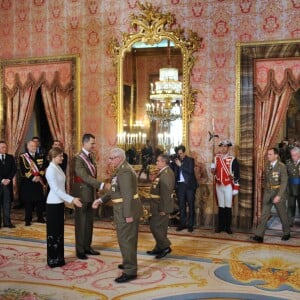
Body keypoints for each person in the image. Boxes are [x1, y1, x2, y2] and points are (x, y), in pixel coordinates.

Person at [93, 148, 142, 283]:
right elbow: (114, 190)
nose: (110, 161)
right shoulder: (121, 169)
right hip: (121, 211)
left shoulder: (125, 171)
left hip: (126, 211)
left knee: (127, 240)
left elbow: (127, 195)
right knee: (124, 239)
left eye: (111, 158)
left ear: (119, 158)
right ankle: (128, 262)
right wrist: (100, 200)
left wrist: (128, 215)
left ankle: (130, 270)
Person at [46, 147, 82, 268]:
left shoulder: (58, 167)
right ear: (53, 156)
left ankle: (59, 258)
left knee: (59, 232)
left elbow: (61, 188)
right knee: (54, 233)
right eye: (60, 156)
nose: (62, 158)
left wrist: (67, 200)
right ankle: (53, 259)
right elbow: (55, 190)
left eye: (62, 156)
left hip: (59, 202)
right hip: (53, 204)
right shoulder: (50, 170)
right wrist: (72, 199)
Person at [73, 133, 107, 260]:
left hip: (90, 192)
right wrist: (102, 185)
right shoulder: (78, 158)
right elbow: (84, 176)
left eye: (94, 143)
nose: (94, 145)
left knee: (89, 222)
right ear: (84, 143)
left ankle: (87, 246)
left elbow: (92, 175)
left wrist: (96, 189)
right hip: (81, 193)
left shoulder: (90, 157)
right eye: (92, 143)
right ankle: (80, 250)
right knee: (81, 222)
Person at [251, 148, 291, 243]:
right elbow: (267, 180)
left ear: (276, 155)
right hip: (268, 193)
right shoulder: (268, 165)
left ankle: (287, 233)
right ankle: (259, 235)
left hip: (278, 194)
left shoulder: (282, 166)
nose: (268, 156)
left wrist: (279, 195)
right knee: (264, 215)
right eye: (268, 154)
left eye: (270, 154)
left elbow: (284, 182)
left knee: (282, 215)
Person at [148, 154, 175, 259]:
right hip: (157, 205)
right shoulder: (162, 172)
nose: (156, 162)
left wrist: (164, 209)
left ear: (164, 162)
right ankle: (159, 248)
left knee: (155, 226)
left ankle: (165, 247)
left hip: (161, 206)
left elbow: (166, 193)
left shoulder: (166, 174)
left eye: (158, 161)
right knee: (160, 228)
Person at [211, 140, 240, 234]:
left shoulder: (233, 159)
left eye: (225, 146)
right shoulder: (216, 158)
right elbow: (213, 171)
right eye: (222, 146)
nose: (223, 148)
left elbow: (237, 174)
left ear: (228, 148)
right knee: (221, 206)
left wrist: (235, 187)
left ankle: (228, 227)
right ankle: (220, 226)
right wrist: (212, 170)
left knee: (228, 206)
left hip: (228, 185)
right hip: (219, 185)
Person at [19, 140, 47, 226]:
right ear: (27, 147)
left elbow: (43, 167)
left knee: (39, 201)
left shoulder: (40, 156)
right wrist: (33, 177)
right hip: (28, 183)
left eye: (35, 146)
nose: (34, 147)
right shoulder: (23, 157)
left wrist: (39, 176)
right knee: (29, 202)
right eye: (31, 146)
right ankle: (28, 219)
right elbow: (23, 170)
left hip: (38, 182)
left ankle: (40, 217)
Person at [173, 145, 198, 232]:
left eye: (181, 153)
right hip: (180, 186)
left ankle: (190, 225)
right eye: (178, 154)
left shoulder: (190, 160)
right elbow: (174, 172)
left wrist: (181, 165)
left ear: (184, 152)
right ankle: (182, 224)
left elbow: (190, 171)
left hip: (190, 186)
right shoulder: (176, 161)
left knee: (191, 206)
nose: (180, 155)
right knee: (181, 206)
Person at [0, 141, 17, 228]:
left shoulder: (10, 157)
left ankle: (7, 222)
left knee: (7, 204)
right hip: (1, 183)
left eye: (5, 147)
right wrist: (2, 179)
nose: (4, 149)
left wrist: (9, 179)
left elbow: (14, 169)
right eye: (2, 147)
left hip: (8, 184)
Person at [285, 147, 300, 227]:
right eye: (292, 155)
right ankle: (290, 221)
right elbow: (285, 175)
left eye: (294, 155)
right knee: (291, 205)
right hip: (290, 187)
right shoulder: (288, 162)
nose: (293, 157)